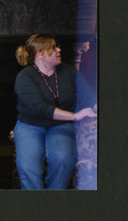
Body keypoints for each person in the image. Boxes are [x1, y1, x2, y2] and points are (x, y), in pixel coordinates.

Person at [13, 33, 97, 189]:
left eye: (57, 45)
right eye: (53, 47)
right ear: (40, 54)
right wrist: (76, 116)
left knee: (63, 160)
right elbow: (41, 108)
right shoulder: (25, 77)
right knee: (28, 167)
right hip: (30, 125)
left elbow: (90, 96)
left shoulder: (69, 72)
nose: (59, 49)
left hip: (61, 125)